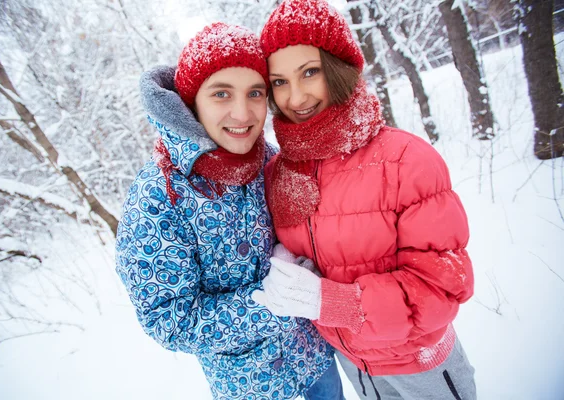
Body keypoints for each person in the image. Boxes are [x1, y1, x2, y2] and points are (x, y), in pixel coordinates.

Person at [251, 1, 477, 399]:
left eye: (309, 72)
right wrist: (287, 259)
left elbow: (442, 289)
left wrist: (332, 301)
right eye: (280, 82)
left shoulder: (407, 160)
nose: (297, 96)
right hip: (354, 365)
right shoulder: (278, 175)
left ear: (338, 69)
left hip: (420, 366)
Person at [115, 22, 344, 400]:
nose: (242, 113)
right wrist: (270, 304)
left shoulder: (270, 158)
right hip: (252, 384)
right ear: (191, 102)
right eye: (222, 94)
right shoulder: (158, 197)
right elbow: (168, 319)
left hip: (315, 357)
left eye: (255, 93)